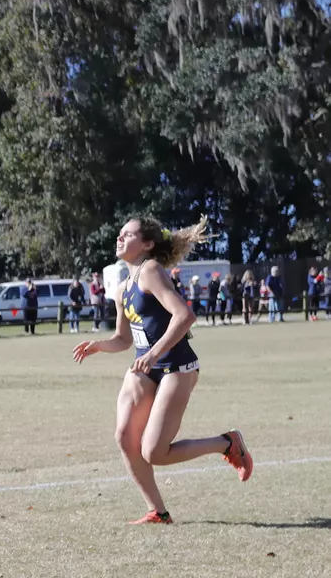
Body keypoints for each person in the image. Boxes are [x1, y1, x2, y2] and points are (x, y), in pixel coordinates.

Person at [73, 217, 253, 524]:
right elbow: (124, 339)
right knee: (124, 436)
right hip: (147, 367)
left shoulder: (151, 271)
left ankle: (227, 443)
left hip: (177, 366)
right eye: (119, 234)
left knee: (154, 452)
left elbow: (184, 316)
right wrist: (100, 345)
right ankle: (158, 511)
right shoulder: (123, 286)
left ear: (147, 244)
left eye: (127, 234)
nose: (119, 238)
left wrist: (155, 354)